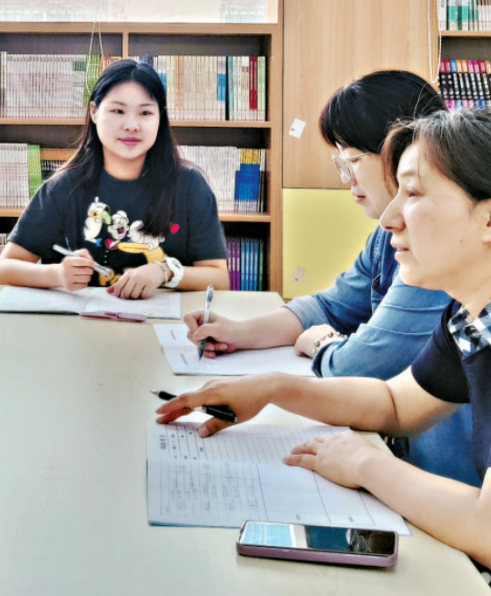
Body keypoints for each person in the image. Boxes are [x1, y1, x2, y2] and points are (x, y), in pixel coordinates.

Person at [158, 108, 491, 570]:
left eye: (412, 193)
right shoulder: (470, 319)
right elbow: (397, 404)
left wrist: (365, 464)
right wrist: (273, 388)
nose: (389, 217)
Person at [182, 71, 476, 485]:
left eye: (352, 161)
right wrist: (258, 362)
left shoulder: (440, 264)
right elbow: (392, 399)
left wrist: (321, 346)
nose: (389, 219)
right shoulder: (461, 316)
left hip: (445, 485)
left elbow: (359, 368)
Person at [0, 58, 229, 298]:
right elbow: (2, 270)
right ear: (94, 112)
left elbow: (219, 279)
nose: (132, 125)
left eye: (145, 112)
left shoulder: (189, 185)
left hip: (163, 320)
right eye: (118, 111)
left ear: (160, 117)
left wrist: (165, 270)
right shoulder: (64, 187)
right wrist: (57, 274)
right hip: (82, 319)